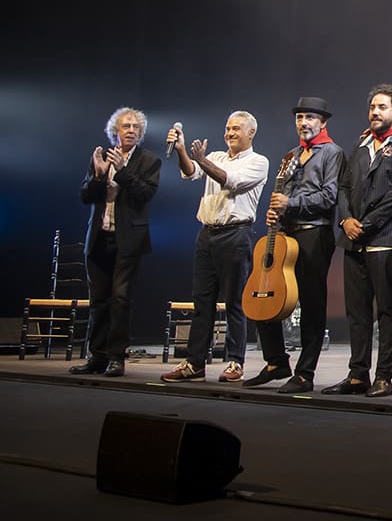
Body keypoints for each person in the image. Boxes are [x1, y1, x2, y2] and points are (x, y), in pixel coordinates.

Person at [325, 84, 392, 398]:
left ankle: (384, 376)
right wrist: (345, 219)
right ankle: (357, 375)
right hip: (353, 240)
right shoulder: (361, 142)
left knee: (388, 310)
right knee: (357, 310)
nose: (375, 113)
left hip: (386, 237)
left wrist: (365, 224)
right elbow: (342, 186)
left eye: (382, 107)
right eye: (372, 108)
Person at [244, 97, 344, 394]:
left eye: (310, 118)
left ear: (322, 122)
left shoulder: (332, 153)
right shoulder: (290, 156)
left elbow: (329, 197)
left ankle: (305, 373)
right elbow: (282, 194)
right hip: (286, 234)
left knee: (312, 302)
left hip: (315, 233)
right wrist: (276, 211)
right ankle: (276, 361)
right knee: (266, 294)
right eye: (300, 117)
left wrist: (292, 203)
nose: (304, 123)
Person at [162, 112, 270, 383]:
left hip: (236, 235)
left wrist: (202, 160)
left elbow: (229, 181)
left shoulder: (259, 162)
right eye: (227, 128)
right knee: (202, 302)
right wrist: (182, 151)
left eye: (236, 129)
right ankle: (195, 363)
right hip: (207, 233)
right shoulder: (218, 156)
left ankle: (235, 362)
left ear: (251, 133)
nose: (230, 133)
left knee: (234, 302)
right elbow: (190, 173)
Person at [71, 107, 161, 377]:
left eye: (135, 127)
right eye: (126, 126)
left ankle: (116, 357)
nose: (131, 130)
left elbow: (144, 194)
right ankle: (96, 355)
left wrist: (122, 172)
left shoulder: (149, 160)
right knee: (99, 300)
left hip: (128, 240)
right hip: (99, 237)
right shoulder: (101, 157)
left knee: (121, 298)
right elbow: (86, 197)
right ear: (115, 132)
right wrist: (99, 176)